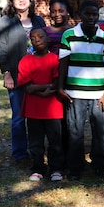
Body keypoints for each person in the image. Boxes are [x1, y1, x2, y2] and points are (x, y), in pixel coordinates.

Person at [58, 0, 104, 180]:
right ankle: (75, 167)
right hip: (75, 94)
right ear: (80, 15)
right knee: (75, 131)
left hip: (99, 94)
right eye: (87, 14)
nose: (91, 18)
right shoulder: (69, 35)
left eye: (94, 14)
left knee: (100, 132)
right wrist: (60, 87)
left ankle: (100, 165)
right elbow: (63, 63)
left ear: (98, 16)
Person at [0, 0, 46, 162]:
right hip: (17, 77)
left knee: (37, 116)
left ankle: (37, 149)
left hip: (39, 76)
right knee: (18, 117)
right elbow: (1, 49)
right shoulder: (5, 21)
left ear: (30, 0)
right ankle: (20, 153)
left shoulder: (39, 21)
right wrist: (7, 74)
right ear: (12, 2)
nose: (21, 0)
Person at [17, 29, 65, 182]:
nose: (37, 40)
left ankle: (56, 168)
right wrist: (45, 88)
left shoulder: (55, 59)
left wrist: (43, 88)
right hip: (34, 108)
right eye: (33, 38)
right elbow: (27, 86)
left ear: (48, 39)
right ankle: (38, 168)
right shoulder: (26, 60)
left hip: (52, 108)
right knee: (35, 141)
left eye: (40, 36)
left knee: (55, 140)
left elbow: (57, 82)